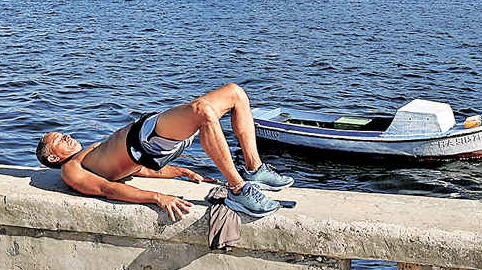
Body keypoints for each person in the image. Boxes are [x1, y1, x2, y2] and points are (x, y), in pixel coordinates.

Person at [36, 83, 292, 220]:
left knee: (236, 93)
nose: (67, 136)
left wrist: (181, 171)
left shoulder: (90, 156)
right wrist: (157, 197)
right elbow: (107, 189)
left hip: (152, 138)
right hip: (145, 141)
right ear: (53, 157)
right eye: (59, 139)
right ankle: (238, 190)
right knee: (203, 111)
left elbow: (137, 170)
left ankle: (255, 169)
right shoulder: (70, 169)